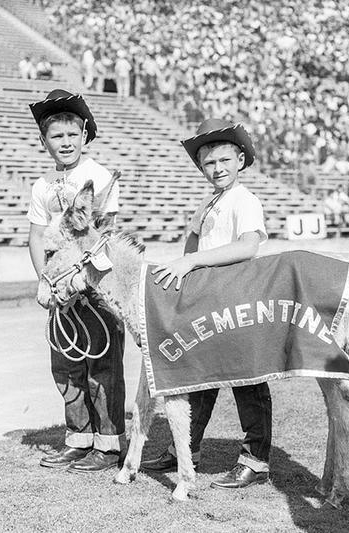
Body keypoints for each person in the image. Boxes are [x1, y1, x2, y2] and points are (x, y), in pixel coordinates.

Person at [140, 118, 272, 490]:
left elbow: (248, 246)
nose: (217, 168)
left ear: (241, 160)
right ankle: (185, 450)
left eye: (224, 160)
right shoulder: (212, 203)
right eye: (209, 163)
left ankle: (255, 460)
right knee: (199, 378)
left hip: (239, 299)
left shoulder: (244, 200)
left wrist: (193, 261)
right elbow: (191, 252)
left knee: (249, 381)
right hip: (210, 300)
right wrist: (194, 233)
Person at [26, 89, 125, 472]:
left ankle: (109, 443)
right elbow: (37, 237)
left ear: (84, 136)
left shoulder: (98, 176)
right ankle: (78, 438)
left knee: (102, 364)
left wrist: (80, 280)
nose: (65, 143)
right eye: (56, 137)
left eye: (71, 135)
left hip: (92, 281)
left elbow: (103, 233)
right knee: (66, 364)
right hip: (59, 287)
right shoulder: (42, 185)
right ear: (44, 141)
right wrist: (48, 283)